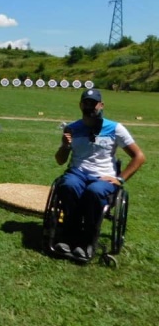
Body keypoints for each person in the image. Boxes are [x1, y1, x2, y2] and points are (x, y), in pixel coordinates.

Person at [54, 88, 145, 260]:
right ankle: (69, 237)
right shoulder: (71, 128)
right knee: (68, 185)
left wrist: (120, 179)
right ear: (80, 105)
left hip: (103, 176)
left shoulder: (115, 128)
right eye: (86, 103)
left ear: (101, 105)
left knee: (94, 191)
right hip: (78, 173)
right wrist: (65, 146)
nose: (89, 107)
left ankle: (88, 241)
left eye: (93, 103)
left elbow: (139, 157)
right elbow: (60, 160)